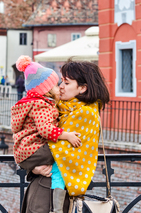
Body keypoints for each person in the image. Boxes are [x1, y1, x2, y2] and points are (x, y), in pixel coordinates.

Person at [18, 60, 110, 213]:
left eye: (66, 83)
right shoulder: (62, 107)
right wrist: (33, 168)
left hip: (49, 195)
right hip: (43, 187)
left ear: (82, 88)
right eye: (61, 81)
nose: (60, 86)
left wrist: (26, 160)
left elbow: (56, 150)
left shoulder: (84, 114)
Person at [11, 56, 82, 213]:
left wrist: (34, 168)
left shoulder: (36, 104)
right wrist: (68, 135)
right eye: (57, 85)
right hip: (34, 153)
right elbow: (46, 130)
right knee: (63, 151)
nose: (60, 88)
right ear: (47, 90)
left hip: (26, 152)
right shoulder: (43, 106)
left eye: (65, 83)